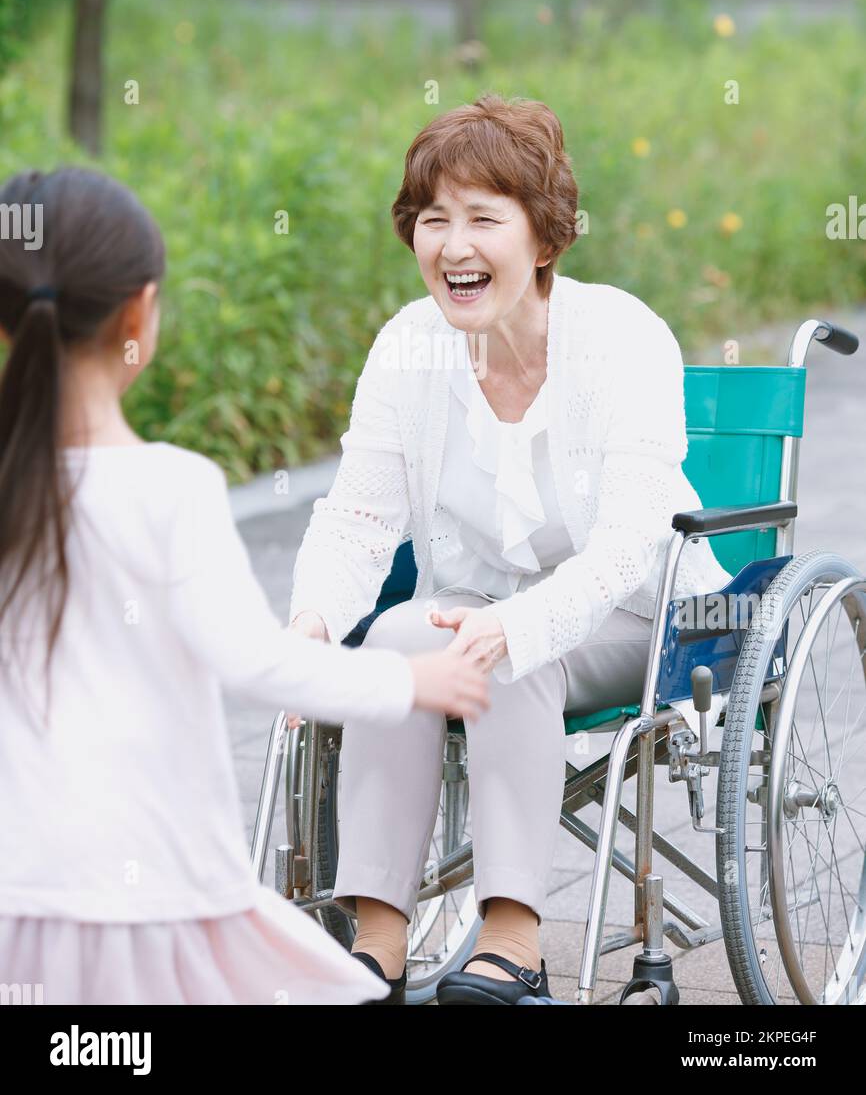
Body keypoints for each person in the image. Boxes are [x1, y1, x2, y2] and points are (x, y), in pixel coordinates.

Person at [0, 166, 488, 1006]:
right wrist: (409, 678)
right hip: (145, 881)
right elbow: (256, 662)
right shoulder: (171, 489)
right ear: (138, 316)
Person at [287, 94, 732, 1005]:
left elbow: (627, 541)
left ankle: (515, 935)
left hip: (638, 614)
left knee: (511, 653)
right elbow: (359, 519)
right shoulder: (407, 349)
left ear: (543, 238)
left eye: (483, 218)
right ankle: (377, 936)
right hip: (471, 611)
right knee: (397, 644)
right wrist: (312, 623)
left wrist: (519, 627)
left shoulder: (621, 338)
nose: (453, 245)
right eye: (433, 219)